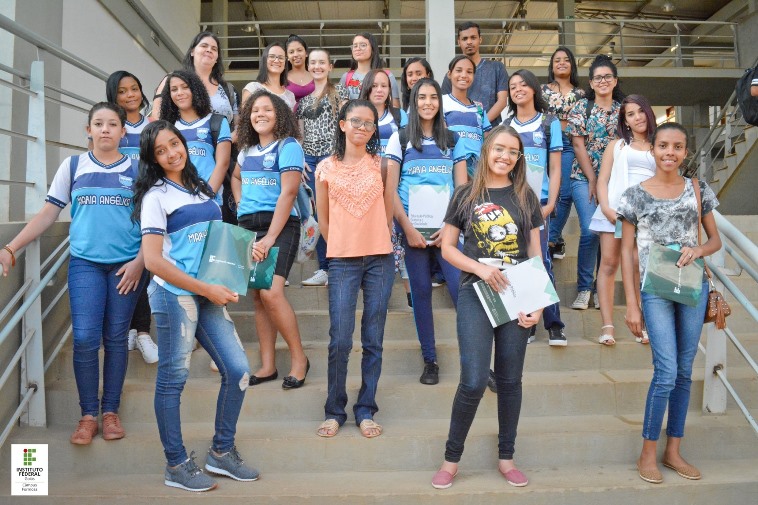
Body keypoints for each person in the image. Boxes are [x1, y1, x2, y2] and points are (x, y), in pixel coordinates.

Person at [0, 102, 146, 445]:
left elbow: (155, 222)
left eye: (113, 124)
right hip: (85, 264)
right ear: (88, 130)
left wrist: (141, 261)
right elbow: (49, 213)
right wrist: (11, 248)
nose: (106, 129)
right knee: (83, 337)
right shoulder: (74, 165)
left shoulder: (139, 170)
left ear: (124, 132)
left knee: (115, 337)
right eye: (99, 123)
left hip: (127, 266)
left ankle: (110, 412)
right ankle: (87, 415)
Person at [134, 120, 257, 492]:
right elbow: (153, 261)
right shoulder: (155, 196)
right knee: (173, 379)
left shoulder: (202, 186)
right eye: (161, 150)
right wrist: (206, 287)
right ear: (152, 159)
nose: (172, 152)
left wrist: (243, 259)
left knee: (238, 371)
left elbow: (213, 241)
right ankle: (176, 464)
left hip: (206, 292)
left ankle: (220, 453)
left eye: (175, 143)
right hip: (173, 295)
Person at [431, 125, 543, 490]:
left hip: (517, 294)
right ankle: (451, 459)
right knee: (475, 379)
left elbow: (536, 254)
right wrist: (480, 267)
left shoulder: (526, 196)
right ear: (486, 150)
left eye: (512, 151)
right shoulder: (466, 194)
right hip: (476, 293)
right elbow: (447, 247)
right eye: (499, 149)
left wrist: (537, 304)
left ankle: (506, 458)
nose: (504, 156)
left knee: (510, 381)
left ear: (519, 158)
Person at [617, 122, 721, 485]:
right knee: (666, 371)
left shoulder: (698, 189)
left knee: (684, 371)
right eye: (663, 145)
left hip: (692, 287)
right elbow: (627, 252)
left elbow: (715, 242)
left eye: (677, 146)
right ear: (653, 149)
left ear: (686, 152)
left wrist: (698, 249)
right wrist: (632, 305)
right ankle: (648, 451)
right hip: (655, 289)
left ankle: (673, 450)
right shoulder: (634, 195)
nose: (670, 152)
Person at [314, 100, 396, 439]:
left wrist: (375, 236)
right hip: (343, 261)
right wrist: (341, 247)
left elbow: (389, 209)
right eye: (356, 121)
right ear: (343, 124)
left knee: (373, 338)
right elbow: (323, 218)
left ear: (374, 129)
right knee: (340, 338)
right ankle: (335, 409)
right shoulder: (325, 168)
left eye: (369, 123)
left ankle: (365, 409)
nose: (362, 127)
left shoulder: (383, 165)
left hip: (380, 258)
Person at [385, 78, 467, 385]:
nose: (428, 102)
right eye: (422, 97)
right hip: (413, 233)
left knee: (461, 289)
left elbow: (461, 189)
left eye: (434, 97)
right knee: (420, 292)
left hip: (447, 232)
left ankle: (478, 359)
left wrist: (450, 227)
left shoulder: (453, 139)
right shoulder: (400, 137)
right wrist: (406, 229)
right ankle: (430, 359)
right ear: (414, 102)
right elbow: (390, 190)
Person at [231, 90, 309, 388]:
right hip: (248, 226)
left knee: (272, 293)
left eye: (267, 109)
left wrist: (269, 238)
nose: (260, 114)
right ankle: (267, 366)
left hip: (279, 227)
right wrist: (240, 203)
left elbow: (289, 193)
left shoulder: (288, 146)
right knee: (258, 297)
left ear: (280, 115)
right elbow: (235, 178)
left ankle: (299, 359)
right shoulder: (246, 151)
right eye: (254, 110)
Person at [504, 69, 564, 346]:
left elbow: (555, 166)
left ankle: (554, 323)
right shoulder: (506, 125)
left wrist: (551, 203)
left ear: (533, 89)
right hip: (512, 203)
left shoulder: (548, 122)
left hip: (539, 203)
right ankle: (527, 320)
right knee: (518, 263)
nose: (518, 90)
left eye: (523, 85)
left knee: (542, 262)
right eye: (513, 86)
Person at [592, 94, 656, 346]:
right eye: (630, 114)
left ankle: (641, 321)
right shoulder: (617, 146)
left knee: (640, 266)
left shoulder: (658, 145)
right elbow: (602, 180)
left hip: (646, 217)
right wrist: (607, 209)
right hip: (615, 212)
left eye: (641, 111)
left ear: (648, 113)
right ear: (625, 121)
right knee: (608, 264)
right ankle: (607, 325)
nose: (637, 117)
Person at [104, 70, 158, 365]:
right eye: (122, 91)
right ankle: (128, 328)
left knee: (146, 262)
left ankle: (143, 331)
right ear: (113, 96)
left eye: (134, 89)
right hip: (119, 205)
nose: (129, 96)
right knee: (125, 263)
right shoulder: (112, 126)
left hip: (148, 201)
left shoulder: (151, 125)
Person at [565, 55, 623, 310]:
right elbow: (578, 144)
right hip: (583, 177)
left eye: (607, 77)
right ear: (591, 82)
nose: (602, 81)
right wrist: (593, 179)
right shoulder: (581, 108)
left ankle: (602, 288)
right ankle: (584, 288)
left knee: (608, 233)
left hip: (615, 182)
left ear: (615, 80)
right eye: (597, 77)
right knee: (590, 231)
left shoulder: (624, 110)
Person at [359, 69, 411, 305]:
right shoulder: (358, 115)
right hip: (365, 187)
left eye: (385, 86)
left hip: (394, 186)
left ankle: (410, 296)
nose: (380, 90)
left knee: (397, 238)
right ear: (367, 88)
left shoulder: (400, 117)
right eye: (375, 85)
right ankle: (378, 294)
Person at [297, 48, 348, 287]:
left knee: (334, 212)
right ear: (308, 66)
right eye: (313, 62)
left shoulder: (339, 94)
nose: (317, 66)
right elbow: (299, 135)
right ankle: (324, 268)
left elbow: (346, 127)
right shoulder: (303, 101)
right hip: (309, 160)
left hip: (331, 157)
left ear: (330, 66)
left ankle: (338, 265)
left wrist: (340, 157)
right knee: (316, 215)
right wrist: (301, 158)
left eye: (322, 62)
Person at [159, 70, 231, 205]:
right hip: (177, 202)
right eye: (174, 89)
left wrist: (205, 197)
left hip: (210, 201)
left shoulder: (217, 122)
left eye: (185, 87)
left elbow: (223, 164)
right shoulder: (168, 127)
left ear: (196, 89)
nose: (179, 93)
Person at [542, 46, 585, 261]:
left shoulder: (581, 94)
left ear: (572, 65)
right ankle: (550, 237)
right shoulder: (541, 90)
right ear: (551, 65)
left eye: (566, 60)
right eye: (557, 60)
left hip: (568, 145)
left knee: (564, 192)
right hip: (544, 143)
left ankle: (552, 236)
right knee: (542, 191)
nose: (561, 63)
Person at [441, 22, 508, 127]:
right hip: (459, 133)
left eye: (473, 38)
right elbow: (443, 106)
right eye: (464, 39)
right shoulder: (452, 75)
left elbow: (502, 101)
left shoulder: (497, 67)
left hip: (491, 132)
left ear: (480, 39)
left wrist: (481, 125)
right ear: (458, 42)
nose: (469, 42)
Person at [442, 55, 492, 178]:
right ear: (449, 74)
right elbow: (442, 137)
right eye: (458, 70)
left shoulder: (478, 107)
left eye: (469, 72)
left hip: (478, 168)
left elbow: (489, 139)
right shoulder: (441, 102)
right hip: (453, 164)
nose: (464, 75)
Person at [339, 32, 400, 107]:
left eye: (363, 45)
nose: (358, 49)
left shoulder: (387, 76)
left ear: (373, 48)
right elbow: (341, 108)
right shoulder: (346, 77)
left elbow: (395, 107)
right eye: (355, 46)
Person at [242, 42, 297, 111]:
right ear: (265, 60)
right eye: (272, 56)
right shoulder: (252, 88)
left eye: (281, 58)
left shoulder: (290, 96)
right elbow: (245, 119)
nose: (277, 60)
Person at [284, 34, 315, 107]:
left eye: (299, 50)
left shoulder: (316, 75)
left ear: (306, 53)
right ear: (287, 57)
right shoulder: (282, 78)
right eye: (291, 52)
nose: (296, 54)